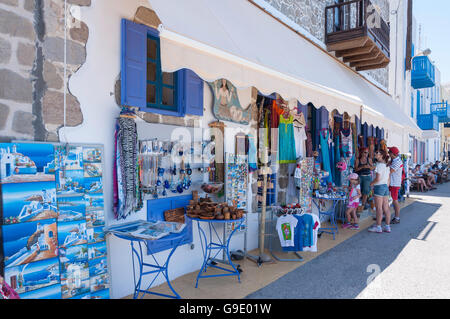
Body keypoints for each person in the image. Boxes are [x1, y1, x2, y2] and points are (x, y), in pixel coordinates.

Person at [368, 149, 391, 233]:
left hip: (379, 187)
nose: (375, 154)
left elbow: (377, 179)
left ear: (381, 155)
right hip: (385, 187)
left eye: (377, 153)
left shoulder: (379, 165)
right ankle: (387, 226)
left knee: (379, 208)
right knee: (386, 207)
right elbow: (388, 179)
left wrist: (371, 184)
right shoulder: (386, 165)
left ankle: (378, 226)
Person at [388, 147, 403, 224]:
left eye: (389, 152)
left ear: (392, 154)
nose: (388, 153)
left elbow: (390, 171)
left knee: (394, 200)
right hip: (392, 183)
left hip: (394, 184)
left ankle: (397, 217)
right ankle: (387, 215)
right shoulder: (394, 160)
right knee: (390, 200)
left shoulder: (397, 162)